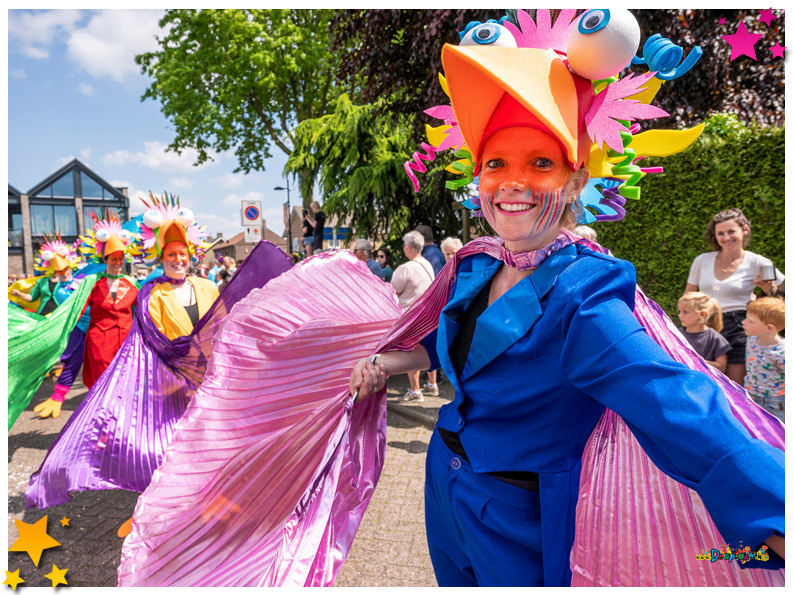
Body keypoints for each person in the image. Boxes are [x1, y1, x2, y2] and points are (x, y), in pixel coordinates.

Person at [350, 9, 783, 587]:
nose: (512, 181)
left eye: (542, 163)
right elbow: (443, 342)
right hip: (445, 486)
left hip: (519, 515)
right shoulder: (474, 262)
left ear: (577, 179)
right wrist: (387, 361)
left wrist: (774, 503)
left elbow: (667, 392)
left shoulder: (586, 286)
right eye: (496, 163)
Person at [686, 208, 784, 385]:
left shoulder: (758, 262)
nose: (726, 237)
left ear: (744, 229)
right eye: (720, 233)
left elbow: (781, 295)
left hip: (740, 327)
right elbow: (688, 295)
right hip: (706, 326)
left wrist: (768, 289)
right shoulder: (702, 260)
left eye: (731, 231)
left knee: (734, 385)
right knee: (703, 379)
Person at [390, 230, 435, 402]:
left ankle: (415, 391)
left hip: (409, 316)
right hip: (428, 315)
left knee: (411, 351)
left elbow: (391, 292)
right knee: (428, 349)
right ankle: (432, 385)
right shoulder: (428, 265)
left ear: (409, 247)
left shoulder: (405, 268)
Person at [742, 297, 785, 422]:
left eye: (750, 321)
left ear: (769, 328)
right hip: (751, 396)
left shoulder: (782, 353)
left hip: (776, 403)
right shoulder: (751, 340)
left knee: (779, 434)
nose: (743, 322)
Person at [676, 291, 731, 372]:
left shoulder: (715, 338)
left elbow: (722, 366)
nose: (680, 315)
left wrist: (699, 362)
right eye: (679, 311)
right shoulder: (676, 334)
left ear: (702, 315)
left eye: (685, 312)